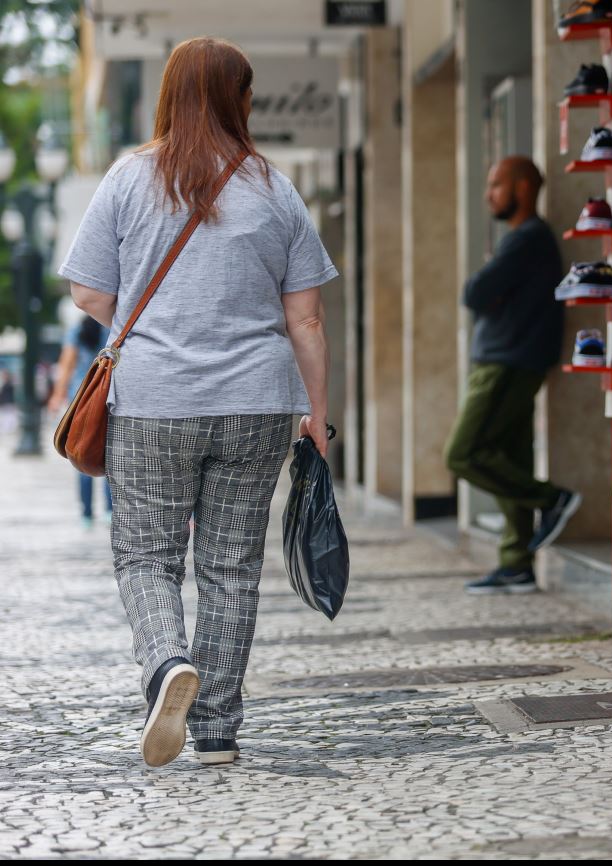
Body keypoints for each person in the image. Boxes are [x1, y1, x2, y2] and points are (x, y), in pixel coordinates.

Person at [59, 36, 337, 768]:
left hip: (153, 400)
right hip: (257, 403)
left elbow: (87, 290)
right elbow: (306, 319)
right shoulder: (276, 189)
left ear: (168, 94)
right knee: (230, 569)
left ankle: (165, 665)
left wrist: (148, 326)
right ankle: (216, 730)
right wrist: (318, 414)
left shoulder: (128, 180)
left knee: (147, 557)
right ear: (239, 100)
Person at [444, 156, 580, 594]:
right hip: (511, 360)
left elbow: (475, 292)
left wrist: (490, 293)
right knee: (509, 457)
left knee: (463, 453)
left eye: (496, 185)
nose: (489, 195)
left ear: (523, 188)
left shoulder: (526, 239)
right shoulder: (524, 241)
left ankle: (551, 499)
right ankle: (517, 562)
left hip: (506, 364)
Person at [48, 316, 114, 527]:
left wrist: (57, 395)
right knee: (106, 454)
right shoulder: (112, 328)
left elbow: (67, 365)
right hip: (108, 396)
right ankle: (109, 511)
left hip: (81, 399)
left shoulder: (77, 330)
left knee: (81, 451)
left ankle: (86, 513)